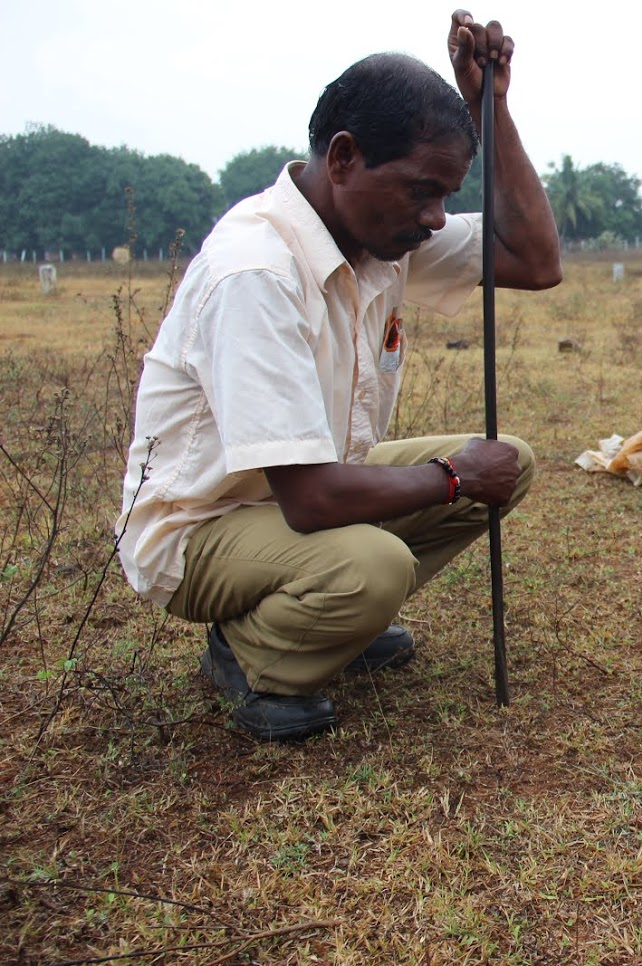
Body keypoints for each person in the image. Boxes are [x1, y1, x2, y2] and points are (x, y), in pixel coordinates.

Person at [115, 11, 562, 741]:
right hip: (205, 527)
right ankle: (257, 654)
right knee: (374, 565)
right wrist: (453, 476)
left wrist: (493, 106)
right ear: (345, 157)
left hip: (300, 499)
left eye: (446, 195)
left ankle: (329, 621)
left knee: (509, 460)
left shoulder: (377, 235)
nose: (434, 217)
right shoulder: (257, 272)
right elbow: (314, 499)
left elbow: (534, 261)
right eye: (423, 192)